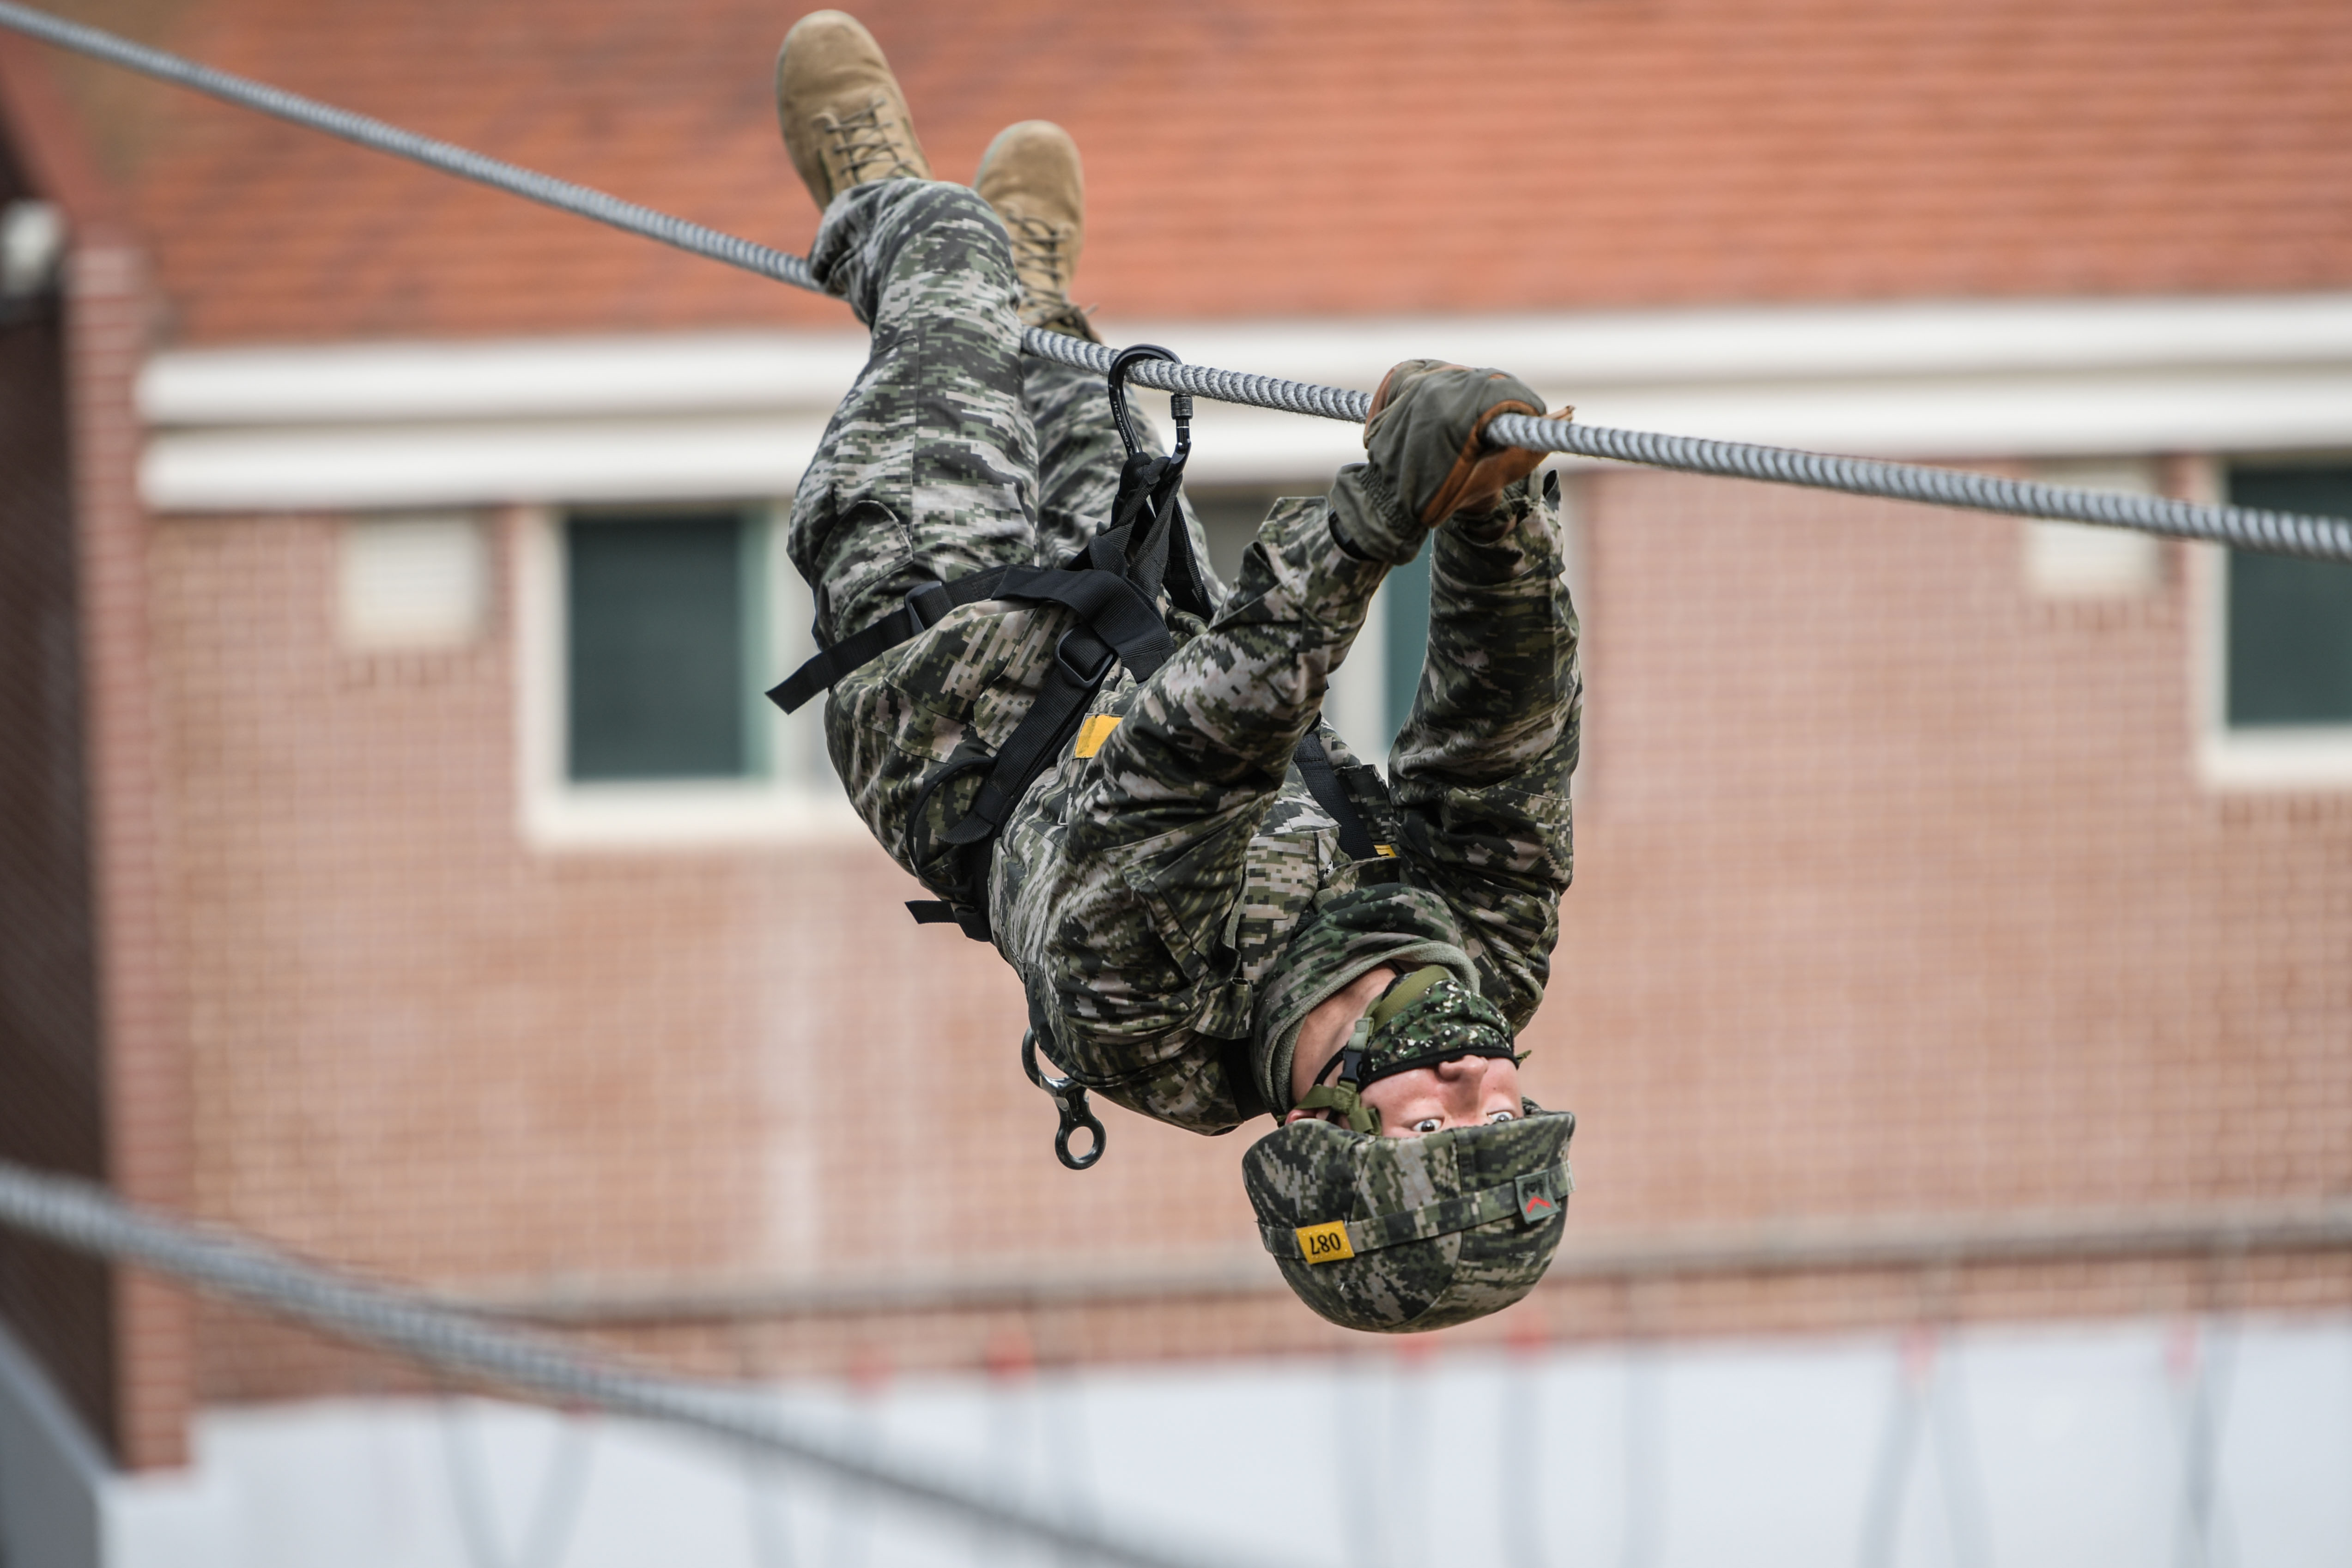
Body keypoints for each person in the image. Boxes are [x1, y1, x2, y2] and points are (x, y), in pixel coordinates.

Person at [774, 12, 1583, 1332]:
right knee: (1060, 363)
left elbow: (1193, 751)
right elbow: (1505, 741)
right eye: (1507, 1101)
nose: (1474, 1064)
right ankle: (1033, 303)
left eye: (1440, 1115)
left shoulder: (1145, 1013)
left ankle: (879, 192)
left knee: (943, 251)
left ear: (1326, 1131)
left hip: (946, 689)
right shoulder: (1481, 954)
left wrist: (1378, 515)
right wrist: (1495, 509)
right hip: (1140, 619)